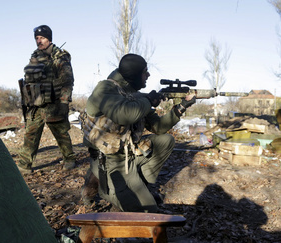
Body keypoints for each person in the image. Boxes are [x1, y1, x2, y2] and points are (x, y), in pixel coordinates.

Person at [81, 53, 196, 212]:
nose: (148, 75)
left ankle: (139, 186)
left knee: (165, 140)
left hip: (127, 155)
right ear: (133, 75)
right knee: (148, 212)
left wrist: (182, 107)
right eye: (144, 72)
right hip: (109, 161)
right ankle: (104, 188)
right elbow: (124, 115)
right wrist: (149, 101)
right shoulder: (105, 89)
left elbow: (158, 127)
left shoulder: (134, 95)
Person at [18, 25, 76, 173]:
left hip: (54, 103)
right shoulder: (35, 56)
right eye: (37, 38)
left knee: (61, 133)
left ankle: (69, 159)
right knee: (31, 133)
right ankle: (25, 165)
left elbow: (67, 80)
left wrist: (64, 101)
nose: (39, 41)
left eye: (42, 38)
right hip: (35, 103)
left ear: (49, 38)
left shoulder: (59, 56)